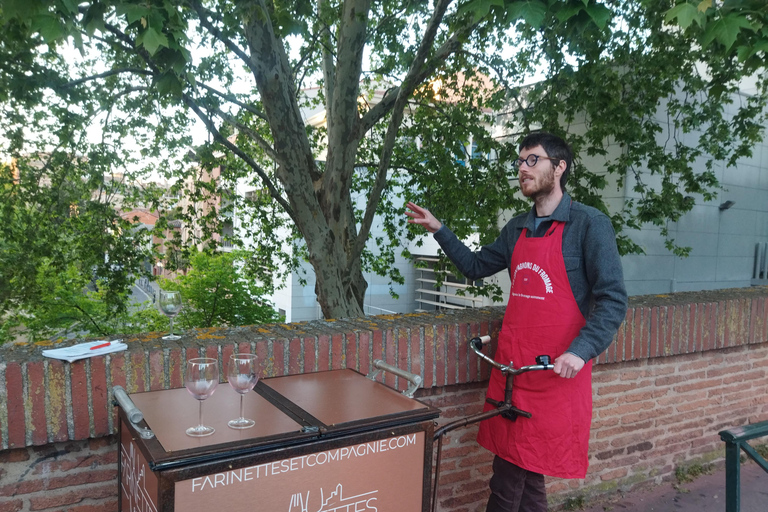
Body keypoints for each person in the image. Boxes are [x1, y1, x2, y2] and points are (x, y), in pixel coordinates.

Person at [406, 132, 627, 512]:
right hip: (513, 369)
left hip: (556, 375)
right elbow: (475, 267)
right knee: (526, 474)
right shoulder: (516, 228)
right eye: (520, 162)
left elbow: (613, 300)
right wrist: (440, 231)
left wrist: (581, 351)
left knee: (507, 482)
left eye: (532, 160)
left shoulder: (590, 225)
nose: (522, 169)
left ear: (559, 168)